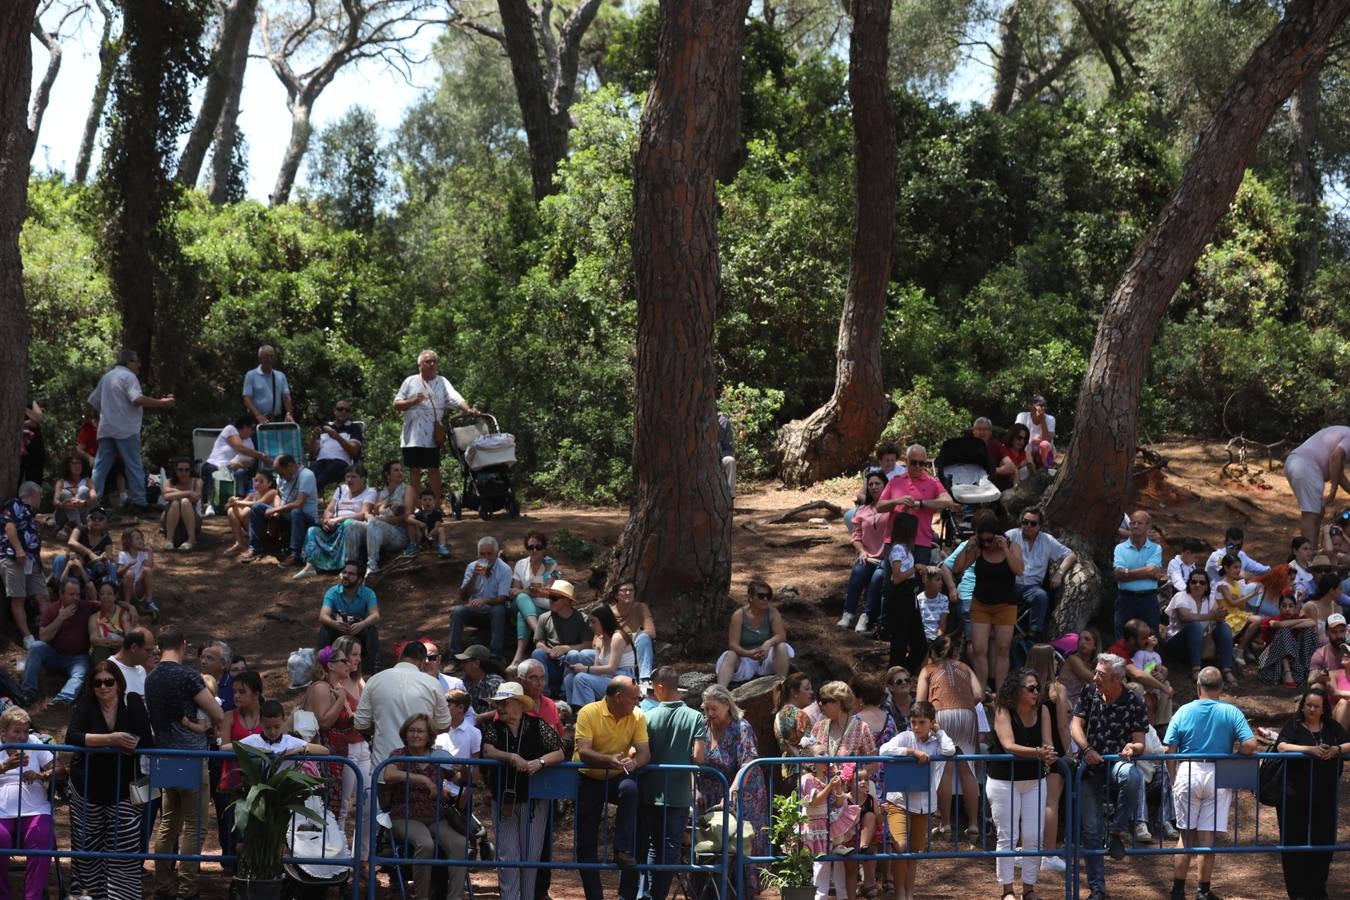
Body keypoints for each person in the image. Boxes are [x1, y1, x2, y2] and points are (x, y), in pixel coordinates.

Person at [1162, 666, 1257, 900]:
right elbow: (1250, 745)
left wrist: (1175, 778)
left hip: (1188, 770)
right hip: (1218, 773)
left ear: (1198, 686)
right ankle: (1203, 891)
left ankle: (1177, 891)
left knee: (1185, 836)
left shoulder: (1183, 710)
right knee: (1207, 838)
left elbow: (1168, 749)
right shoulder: (1231, 711)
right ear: (1221, 687)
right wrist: (1234, 753)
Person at [145, 626, 225, 900]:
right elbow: (216, 711)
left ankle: (163, 884)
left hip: (164, 756)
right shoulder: (187, 675)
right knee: (194, 825)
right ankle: (187, 888)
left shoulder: (151, 677)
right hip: (190, 757)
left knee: (168, 823)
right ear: (184, 645)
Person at [64, 659, 154, 900]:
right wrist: (110, 739)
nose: (103, 687)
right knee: (86, 849)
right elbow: (72, 736)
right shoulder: (86, 704)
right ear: (91, 687)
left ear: (118, 684)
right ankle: (87, 895)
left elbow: (146, 740)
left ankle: (121, 896)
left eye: (108, 681)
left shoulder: (131, 702)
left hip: (125, 789)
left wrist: (127, 743)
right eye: (97, 683)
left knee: (124, 848)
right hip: (87, 788)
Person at [1071, 652, 1149, 900]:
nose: (1094, 677)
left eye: (1100, 674)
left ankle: (1116, 831)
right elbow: (1075, 725)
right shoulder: (1089, 692)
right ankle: (1097, 889)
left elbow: (1140, 743)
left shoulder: (1135, 701)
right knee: (1091, 830)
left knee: (1133, 778)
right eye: (1095, 672)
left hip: (1117, 762)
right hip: (1089, 766)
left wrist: (1131, 748)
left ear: (1116, 678)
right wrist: (1087, 749)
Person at [480, 681, 566, 900]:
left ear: (519, 704)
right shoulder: (493, 726)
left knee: (530, 856)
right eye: (498, 703)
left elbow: (560, 751)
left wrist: (539, 762)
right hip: (504, 797)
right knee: (507, 857)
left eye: (505, 703)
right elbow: (488, 750)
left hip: (534, 800)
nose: (500, 708)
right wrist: (510, 756)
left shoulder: (537, 725)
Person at [573, 676, 649, 900]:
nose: (638, 702)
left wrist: (634, 763)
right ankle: (594, 896)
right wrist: (609, 760)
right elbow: (584, 751)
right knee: (586, 842)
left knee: (631, 790)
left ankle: (622, 849)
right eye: (634, 698)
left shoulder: (637, 715)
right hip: (588, 777)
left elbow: (645, 752)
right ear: (619, 697)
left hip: (617, 775)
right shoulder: (588, 712)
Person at [637, 666, 707, 900]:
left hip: (650, 790)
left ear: (659, 687)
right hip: (677, 793)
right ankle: (657, 895)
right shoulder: (695, 716)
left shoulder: (647, 716)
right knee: (669, 848)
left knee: (651, 845)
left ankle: (644, 893)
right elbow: (698, 757)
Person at [384, 712, 469, 900]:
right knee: (426, 844)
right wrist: (423, 779)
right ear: (405, 734)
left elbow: (457, 778)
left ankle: (454, 897)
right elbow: (389, 775)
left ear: (429, 736)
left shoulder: (437, 755)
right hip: (404, 816)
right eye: (412, 730)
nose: (415, 735)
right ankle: (422, 897)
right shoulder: (398, 754)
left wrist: (463, 770)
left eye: (420, 731)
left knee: (460, 844)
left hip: (435, 816)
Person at [1274, 686, 1348, 899]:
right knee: (1292, 844)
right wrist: (1309, 750)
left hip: (1324, 795)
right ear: (1302, 706)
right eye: (1308, 706)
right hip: (1294, 796)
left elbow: (1347, 742)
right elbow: (1281, 746)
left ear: (1324, 708)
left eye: (1316, 706)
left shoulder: (1332, 727)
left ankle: (1317, 888)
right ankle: (1297, 892)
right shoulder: (1294, 726)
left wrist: (1337, 749)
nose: (1312, 710)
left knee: (1324, 842)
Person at [988, 668, 1056, 900]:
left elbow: (1047, 742)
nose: (1036, 692)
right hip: (1003, 780)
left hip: (1035, 780)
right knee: (1007, 835)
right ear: (1017, 690)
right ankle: (1007, 890)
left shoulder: (1044, 710)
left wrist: (1048, 753)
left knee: (1033, 836)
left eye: (1038, 688)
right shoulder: (1003, 709)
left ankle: (1029, 888)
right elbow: (1009, 745)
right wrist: (1039, 753)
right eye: (1031, 688)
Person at [879, 700, 953, 900]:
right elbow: (883, 750)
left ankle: (909, 893)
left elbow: (950, 750)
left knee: (915, 851)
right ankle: (900, 893)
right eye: (913, 722)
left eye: (922, 722)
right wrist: (910, 752)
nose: (917, 727)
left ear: (931, 722)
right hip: (899, 800)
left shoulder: (937, 741)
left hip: (923, 803)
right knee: (900, 847)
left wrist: (939, 731)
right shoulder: (904, 737)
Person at [807, 681, 873, 897]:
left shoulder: (861, 727)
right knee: (823, 854)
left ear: (840, 702)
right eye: (820, 700)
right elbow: (810, 759)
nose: (821, 705)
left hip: (852, 798)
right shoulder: (819, 727)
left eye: (825, 701)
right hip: (825, 798)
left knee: (849, 858)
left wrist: (853, 774)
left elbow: (874, 762)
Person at [87, 349, 175, 511]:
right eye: (137, 361)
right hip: (126, 429)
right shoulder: (129, 377)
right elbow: (137, 399)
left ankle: (93, 499)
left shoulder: (107, 377)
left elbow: (93, 401)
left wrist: (94, 418)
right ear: (128, 362)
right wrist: (162, 403)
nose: (139, 365)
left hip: (106, 428)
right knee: (133, 465)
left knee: (100, 467)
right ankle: (139, 502)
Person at [915, 635, 982, 839]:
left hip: (941, 713)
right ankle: (973, 825)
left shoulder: (928, 670)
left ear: (932, 652)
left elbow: (920, 701)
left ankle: (945, 823)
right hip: (967, 715)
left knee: (945, 766)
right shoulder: (965, 667)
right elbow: (978, 694)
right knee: (967, 767)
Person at [393, 349, 481, 503]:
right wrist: (412, 401)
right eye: (428, 361)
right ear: (420, 365)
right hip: (411, 436)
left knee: (434, 470)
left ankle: (437, 505)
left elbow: (456, 398)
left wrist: (468, 409)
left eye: (434, 361)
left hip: (432, 435)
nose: (432, 364)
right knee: (414, 471)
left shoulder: (442, 381)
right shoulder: (410, 381)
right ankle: (419, 505)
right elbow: (397, 404)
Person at [353, 639, 451, 776]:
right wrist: (423, 733)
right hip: (419, 765)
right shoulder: (432, 683)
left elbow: (360, 724)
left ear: (400, 657)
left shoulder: (376, 680)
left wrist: (381, 729)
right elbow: (444, 724)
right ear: (423, 662)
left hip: (384, 765)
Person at [952, 510, 1024, 693]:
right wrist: (968, 547)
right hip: (981, 604)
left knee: (1002, 648)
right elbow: (957, 568)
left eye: (990, 540)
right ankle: (981, 690)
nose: (987, 544)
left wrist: (1005, 549)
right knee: (979, 649)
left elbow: (1019, 570)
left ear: (998, 536)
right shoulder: (978, 549)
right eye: (983, 540)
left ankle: (1000, 691)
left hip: (1005, 605)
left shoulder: (1012, 546)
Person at [0, 706, 56, 900]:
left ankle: (33, 897)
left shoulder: (34, 742)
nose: (22, 736)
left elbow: (60, 768)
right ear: (3, 732)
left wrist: (42, 774)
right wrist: (5, 766)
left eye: (25, 731)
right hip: (2, 811)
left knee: (42, 838)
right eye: (16, 731)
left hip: (35, 808)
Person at [20, 578, 97, 706]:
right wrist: (61, 618)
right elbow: (43, 637)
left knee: (81, 672)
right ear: (62, 594)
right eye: (71, 594)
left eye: (78, 594)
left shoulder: (86, 606)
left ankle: (62, 700)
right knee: (35, 647)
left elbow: (107, 603)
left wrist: (129, 606)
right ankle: (28, 693)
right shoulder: (51, 609)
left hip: (77, 658)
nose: (75, 598)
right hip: (54, 655)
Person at [875, 444, 956, 564]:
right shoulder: (895, 481)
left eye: (921, 463)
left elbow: (948, 502)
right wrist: (897, 501)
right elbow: (879, 507)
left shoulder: (932, 482)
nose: (918, 466)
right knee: (891, 581)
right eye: (914, 462)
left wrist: (922, 503)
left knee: (918, 580)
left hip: (921, 542)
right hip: (894, 541)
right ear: (906, 462)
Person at [1005, 507, 1076, 641]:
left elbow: (1070, 555)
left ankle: (1033, 634)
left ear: (1040, 526)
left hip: (1032, 587)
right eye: (1025, 522)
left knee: (1041, 596)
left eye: (1033, 524)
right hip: (1010, 584)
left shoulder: (1047, 540)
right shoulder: (1011, 536)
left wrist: (1059, 573)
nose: (1028, 526)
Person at [294, 464, 377, 578]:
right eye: (347, 476)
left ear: (363, 479)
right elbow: (329, 509)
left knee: (348, 524)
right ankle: (310, 567)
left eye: (353, 477)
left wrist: (339, 519)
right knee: (312, 530)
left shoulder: (370, 492)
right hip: (335, 525)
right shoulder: (341, 489)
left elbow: (363, 514)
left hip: (356, 526)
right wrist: (327, 521)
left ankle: (347, 568)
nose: (349, 480)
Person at [242, 453, 317, 567]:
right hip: (284, 513)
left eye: (281, 473)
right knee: (257, 507)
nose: (280, 477)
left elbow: (299, 503)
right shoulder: (280, 477)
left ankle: (294, 554)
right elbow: (278, 495)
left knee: (296, 512)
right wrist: (277, 509)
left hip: (305, 517)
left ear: (291, 466)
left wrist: (276, 510)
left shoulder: (306, 475)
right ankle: (255, 548)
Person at [716, 578, 793, 687]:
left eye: (768, 596)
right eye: (761, 596)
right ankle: (720, 691)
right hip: (746, 660)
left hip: (766, 659)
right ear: (750, 598)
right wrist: (748, 653)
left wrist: (768, 643)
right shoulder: (739, 615)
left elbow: (781, 635)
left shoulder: (772, 612)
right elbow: (733, 645)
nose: (765, 599)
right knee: (730, 655)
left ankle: (781, 684)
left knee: (782, 646)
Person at [841, 471, 891, 631]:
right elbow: (856, 536)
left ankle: (866, 616)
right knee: (858, 571)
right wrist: (862, 551)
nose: (874, 487)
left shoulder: (893, 509)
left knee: (878, 577)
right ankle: (848, 614)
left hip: (886, 559)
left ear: (885, 486)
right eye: (871, 484)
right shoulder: (863, 510)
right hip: (868, 556)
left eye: (878, 484)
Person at [449, 536, 513, 659]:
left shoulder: (504, 570)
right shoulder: (472, 567)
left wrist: (485, 600)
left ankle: (496, 655)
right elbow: (462, 596)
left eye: (489, 554)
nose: (486, 558)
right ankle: (454, 656)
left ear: (496, 554)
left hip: (494, 613)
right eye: (482, 554)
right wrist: (474, 577)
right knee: (457, 611)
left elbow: (502, 598)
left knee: (499, 609)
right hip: (475, 612)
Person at [1284, 425, 1350, 543]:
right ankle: (1308, 559)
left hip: (1299, 463)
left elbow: (1338, 472)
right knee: (1311, 515)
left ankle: (1311, 553)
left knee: (1318, 512)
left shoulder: (1344, 433)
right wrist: (1333, 490)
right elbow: (1335, 457)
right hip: (1304, 465)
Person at [564, 605, 636, 707]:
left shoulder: (617, 637)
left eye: (593, 622)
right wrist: (580, 669)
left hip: (623, 681)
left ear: (604, 620)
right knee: (569, 679)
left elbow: (611, 668)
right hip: (606, 678)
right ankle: (572, 712)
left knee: (581, 679)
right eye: (589, 622)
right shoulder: (599, 638)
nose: (590, 625)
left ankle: (590, 716)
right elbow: (596, 668)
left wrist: (584, 669)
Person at [529, 580, 591, 698]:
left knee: (573, 654)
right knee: (538, 653)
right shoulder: (544, 617)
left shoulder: (582, 619)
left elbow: (588, 644)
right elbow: (538, 642)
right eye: (550, 597)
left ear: (567, 601)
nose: (550, 600)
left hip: (571, 664)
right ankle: (544, 694)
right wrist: (550, 651)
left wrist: (567, 648)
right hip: (551, 663)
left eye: (555, 597)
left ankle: (564, 695)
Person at [509, 532, 563, 667]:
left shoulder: (552, 565)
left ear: (543, 548)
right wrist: (529, 592)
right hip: (521, 603)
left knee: (523, 615)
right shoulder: (520, 564)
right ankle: (538, 633)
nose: (534, 550)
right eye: (530, 547)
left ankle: (517, 658)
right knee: (522, 597)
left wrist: (530, 591)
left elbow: (551, 592)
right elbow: (514, 591)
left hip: (541, 607)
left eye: (538, 547)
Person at [2, 482, 46, 649]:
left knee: (42, 596)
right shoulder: (14, 504)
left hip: (32, 561)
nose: (41, 498)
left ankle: (46, 633)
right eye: (40, 495)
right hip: (14, 558)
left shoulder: (30, 513)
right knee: (18, 597)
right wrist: (19, 550)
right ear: (32, 494)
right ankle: (27, 637)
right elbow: (10, 527)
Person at [316, 562, 381, 672]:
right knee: (325, 627)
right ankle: (322, 664)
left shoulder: (368, 593)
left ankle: (372, 667)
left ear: (360, 579)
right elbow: (323, 616)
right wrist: (334, 624)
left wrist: (361, 625)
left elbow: (375, 615)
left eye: (351, 574)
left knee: (371, 628)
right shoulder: (332, 592)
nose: (346, 576)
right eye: (344, 572)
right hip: (338, 629)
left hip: (359, 630)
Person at [1107, 619, 1174, 725]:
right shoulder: (1118, 651)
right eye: (1144, 638)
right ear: (1132, 640)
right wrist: (1162, 687)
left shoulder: (1140, 648)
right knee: (1139, 689)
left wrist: (1162, 674)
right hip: (1115, 689)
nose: (1148, 640)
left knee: (1166, 684)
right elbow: (1136, 674)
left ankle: (1161, 724)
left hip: (1137, 683)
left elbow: (1157, 667)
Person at [1113, 510, 1164, 637]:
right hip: (1125, 599)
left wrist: (1126, 573)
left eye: (1139, 523)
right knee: (1122, 638)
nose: (1135, 526)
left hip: (1148, 600)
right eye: (1132, 523)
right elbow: (1118, 574)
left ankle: (1151, 658)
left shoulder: (1155, 548)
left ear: (1148, 526)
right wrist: (1146, 572)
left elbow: (1152, 570)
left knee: (1151, 638)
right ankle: (1122, 658)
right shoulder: (1120, 548)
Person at [200, 415, 269, 507]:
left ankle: (238, 501)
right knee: (212, 470)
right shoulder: (230, 429)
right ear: (244, 426)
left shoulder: (248, 440)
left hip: (231, 467)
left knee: (241, 472)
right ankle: (210, 503)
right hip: (215, 463)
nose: (253, 432)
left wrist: (241, 464)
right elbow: (239, 447)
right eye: (252, 428)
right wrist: (260, 455)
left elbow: (251, 461)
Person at [52, 505, 115, 602]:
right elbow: (71, 542)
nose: (97, 521)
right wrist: (90, 552)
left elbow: (110, 556)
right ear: (88, 519)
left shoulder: (106, 538)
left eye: (101, 518)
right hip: (75, 563)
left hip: (92, 568)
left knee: (111, 565)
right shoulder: (80, 528)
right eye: (93, 517)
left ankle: (110, 593)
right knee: (59, 559)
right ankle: (57, 590)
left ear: (105, 522)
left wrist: (105, 556)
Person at [362, 461, 413, 577]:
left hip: (400, 534)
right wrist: (384, 505)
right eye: (396, 470)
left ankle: (372, 566)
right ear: (387, 475)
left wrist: (386, 520)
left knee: (374, 523)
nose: (400, 472)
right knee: (354, 526)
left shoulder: (407, 489)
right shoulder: (381, 494)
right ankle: (352, 566)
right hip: (381, 531)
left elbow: (408, 514)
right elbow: (374, 512)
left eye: (401, 470)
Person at [1258, 589, 1318, 686]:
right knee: (1284, 631)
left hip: (1295, 658)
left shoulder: (1296, 618)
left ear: (1295, 608)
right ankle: (1287, 673)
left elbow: (1312, 622)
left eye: (1290, 606)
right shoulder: (1272, 620)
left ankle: (1308, 669)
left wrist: (1293, 622)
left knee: (1309, 632)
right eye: (1284, 606)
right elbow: (1278, 625)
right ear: (1279, 607)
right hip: (1274, 659)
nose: (1287, 609)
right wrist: (1298, 622)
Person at [310, 399, 364, 493]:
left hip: (341, 463)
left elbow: (354, 451)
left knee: (323, 476)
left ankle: (308, 496)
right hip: (321, 461)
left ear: (350, 414)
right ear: (334, 411)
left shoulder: (354, 428)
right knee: (307, 476)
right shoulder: (324, 427)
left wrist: (336, 436)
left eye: (347, 410)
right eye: (340, 409)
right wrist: (313, 437)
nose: (343, 412)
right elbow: (313, 453)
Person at [609, 580, 656, 687]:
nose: (628, 593)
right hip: (614, 647)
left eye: (631, 590)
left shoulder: (640, 607)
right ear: (616, 595)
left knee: (644, 638)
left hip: (634, 645)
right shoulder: (608, 612)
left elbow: (651, 632)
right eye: (624, 590)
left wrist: (629, 638)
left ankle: (644, 679)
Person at [224, 471, 278, 555]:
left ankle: (257, 546)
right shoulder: (253, 494)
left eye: (261, 481)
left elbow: (258, 503)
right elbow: (231, 506)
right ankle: (239, 543)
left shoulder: (272, 492)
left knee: (248, 510)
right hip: (252, 527)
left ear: (269, 483)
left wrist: (237, 503)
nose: (257, 484)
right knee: (231, 510)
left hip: (266, 529)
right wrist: (231, 501)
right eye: (256, 481)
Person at [241, 344, 294, 424]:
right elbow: (247, 399)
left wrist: (289, 413)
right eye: (265, 356)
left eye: (271, 356)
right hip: (257, 419)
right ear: (260, 358)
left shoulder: (280, 376)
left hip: (276, 418)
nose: (269, 359)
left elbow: (286, 397)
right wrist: (258, 415)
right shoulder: (251, 375)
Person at [159, 457, 202, 551]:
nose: (183, 473)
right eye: (180, 470)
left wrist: (173, 492)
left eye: (187, 470)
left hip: (193, 520)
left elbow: (196, 497)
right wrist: (188, 493)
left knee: (185, 502)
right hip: (170, 520)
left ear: (191, 470)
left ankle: (191, 539)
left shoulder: (197, 482)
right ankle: (169, 540)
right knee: (175, 503)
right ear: (175, 470)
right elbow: (165, 496)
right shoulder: (168, 482)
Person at [88, 580, 136, 664]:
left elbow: (129, 635)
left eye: (109, 594)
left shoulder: (123, 614)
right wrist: (107, 642)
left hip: (119, 650)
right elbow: (93, 638)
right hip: (101, 651)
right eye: (102, 594)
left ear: (115, 596)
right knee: (101, 650)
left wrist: (120, 642)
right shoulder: (94, 617)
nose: (105, 596)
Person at [115, 527, 156, 619]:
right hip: (126, 587)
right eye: (137, 539)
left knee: (147, 570)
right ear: (128, 541)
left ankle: (149, 601)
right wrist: (128, 566)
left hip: (138, 587)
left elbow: (149, 567)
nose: (140, 541)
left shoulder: (142, 554)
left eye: (141, 538)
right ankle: (127, 604)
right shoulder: (123, 554)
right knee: (129, 573)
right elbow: (118, 573)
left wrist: (150, 552)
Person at [773, 671, 815, 759]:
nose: (811, 692)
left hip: (787, 767)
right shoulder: (800, 715)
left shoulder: (778, 716)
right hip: (805, 769)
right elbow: (810, 745)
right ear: (794, 693)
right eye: (807, 689)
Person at [516, 658, 562, 734]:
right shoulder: (511, 706)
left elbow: (559, 736)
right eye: (534, 678)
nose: (540, 683)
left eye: (542, 678)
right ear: (520, 680)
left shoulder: (550, 704)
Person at [52, 452, 96, 532]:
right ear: (68, 466)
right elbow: (55, 501)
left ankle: (72, 525)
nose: (77, 466)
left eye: (79, 463)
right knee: (65, 493)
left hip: (82, 515)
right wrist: (63, 504)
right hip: (63, 518)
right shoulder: (61, 482)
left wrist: (83, 502)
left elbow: (94, 498)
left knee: (83, 489)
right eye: (74, 463)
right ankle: (78, 526)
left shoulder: (88, 481)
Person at [455, 645, 505, 714]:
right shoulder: (463, 682)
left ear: (476, 663)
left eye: (465, 662)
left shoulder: (494, 683)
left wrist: (482, 718)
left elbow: (505, 708)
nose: (461, 665)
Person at [109, 626, 153, 699]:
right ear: (134, 647)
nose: (150, 655)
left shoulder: (141, 669)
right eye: (148, 650)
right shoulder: (109, 669)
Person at [1014, 394, 1056, 468]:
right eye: (1039, 406)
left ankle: (1046, 468)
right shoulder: (1022, 416)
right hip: (1027, 449)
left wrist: (1042, 420)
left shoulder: (1050, 419)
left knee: (1044, 444)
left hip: (1043, 452)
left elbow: (1047, 440)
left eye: (1043, 406)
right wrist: (1033, 442)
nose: (1041, 408)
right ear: (1030, 407)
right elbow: (1017, 435)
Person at [717, 411, 736, 498]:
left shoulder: (723, 421)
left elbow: (729, 448)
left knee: (730, 461)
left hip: (718, 458)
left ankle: (729, 497)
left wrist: (718, 455)